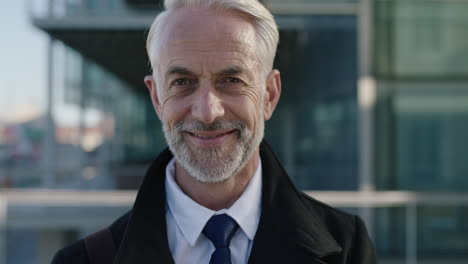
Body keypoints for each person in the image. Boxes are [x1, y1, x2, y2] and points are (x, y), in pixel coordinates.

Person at [52, 0, 377, 263]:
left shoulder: (348, 248)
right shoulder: (84, 260)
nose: (207, 112)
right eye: (182, 82)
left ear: (270, 95)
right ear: (156, 98)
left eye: (231, 81)